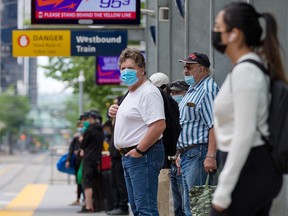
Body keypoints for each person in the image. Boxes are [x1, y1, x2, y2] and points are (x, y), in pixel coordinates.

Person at [210, 2, 285, 215]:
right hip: (252, 168)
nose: (215, 33)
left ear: (234, 34)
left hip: (251, 168)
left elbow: (244, 134)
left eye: (218, 26)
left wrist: (223, 191)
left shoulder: (246, 73)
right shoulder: (245, 70)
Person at [108, 48, 166, 215]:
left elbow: (158, 125)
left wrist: (139, 150)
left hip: (143, 155)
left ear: (142, 70)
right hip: (130, 156)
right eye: (123, 68)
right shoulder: (131, 93)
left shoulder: (148, 92)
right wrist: (114, 113)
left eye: (131, 68)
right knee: (138, 209)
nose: (126, 72)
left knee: (145, 209)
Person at [177, 52, 219, 216]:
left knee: (199, 209)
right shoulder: (193, 90)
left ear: (201, 69)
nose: (185, 71)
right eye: (184, 67)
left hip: (199, 154)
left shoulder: (208, 90)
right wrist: (181, 153)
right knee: (190, 208)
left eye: (189, 67)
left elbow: (214, 125)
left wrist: (210, 156)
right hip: (189, 154)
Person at [168, 80, 189, 216]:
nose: (175, 95)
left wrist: (180, 155)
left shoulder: (188, 110)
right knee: (177, 207)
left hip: (183, 159)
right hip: (173, 160)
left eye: (178, 92)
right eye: (173, 93)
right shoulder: (173, 110)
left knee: (185, 205)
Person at [107, 96, 129, 215]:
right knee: (114, 182)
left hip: (119, 154)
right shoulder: (115, 119)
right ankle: (118, 204)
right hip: (114, 155)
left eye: (117, 104)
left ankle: (123, 206)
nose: (114, 107)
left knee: (121, 183)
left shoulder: (123, 118)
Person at [78, 110, 104, 213]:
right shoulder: (100, 130)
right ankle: (92, 204)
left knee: (87, 182)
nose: (85, 121)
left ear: (91, 118)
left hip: (88, 158)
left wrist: (81, 141)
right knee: (93, 181)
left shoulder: (89, 130)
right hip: (97, 159)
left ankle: (89, 206)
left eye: (87, 119)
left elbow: (83, 145)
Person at [66, 120, 84, 206]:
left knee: (85, 180)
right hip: (78, 161)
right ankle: (78, 199)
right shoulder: (76, 137)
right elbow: (71, 149)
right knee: (78, 180)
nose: (80, 127)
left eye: (81, 126)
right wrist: (68, 160)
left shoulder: (87, 135)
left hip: (85, 160)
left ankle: (85, 199)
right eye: (79, 126)